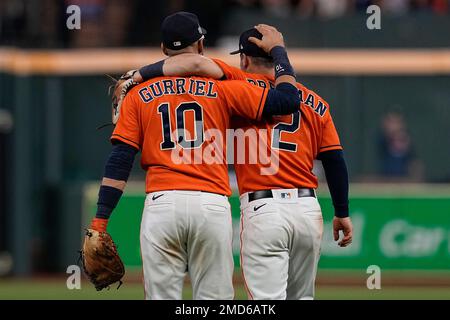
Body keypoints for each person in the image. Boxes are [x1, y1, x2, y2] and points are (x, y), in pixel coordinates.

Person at [88, 12, 301, 300]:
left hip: (161, 206)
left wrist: (100, 222)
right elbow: (288, 103)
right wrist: (280, 52)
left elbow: (120, 161)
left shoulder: (138, 95)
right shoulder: (223, 87)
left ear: (163, 50)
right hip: (210, 205)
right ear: (201, 45)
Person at [131, 27, 352, 300]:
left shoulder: (236, 84)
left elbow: (194, 62)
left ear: (244, 59)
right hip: (308, 209)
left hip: (263, 208)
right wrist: (342, 211)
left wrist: (137, 75)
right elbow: (334, 159)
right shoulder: (317, 103)